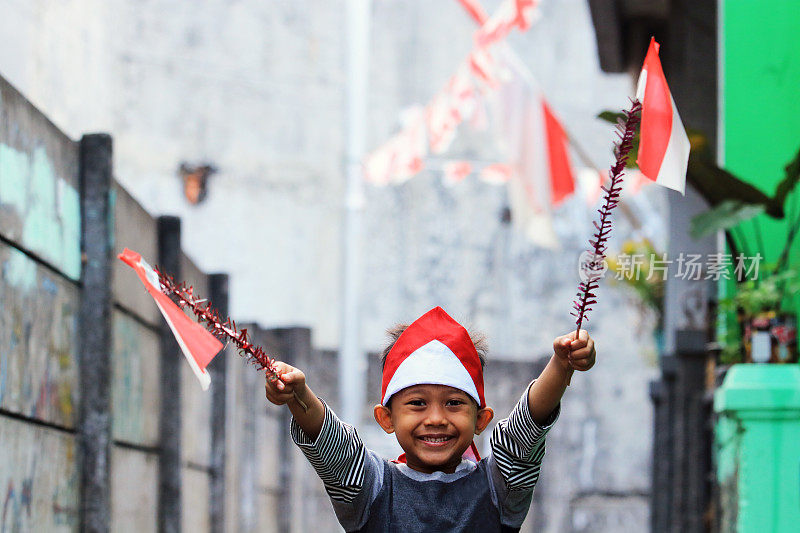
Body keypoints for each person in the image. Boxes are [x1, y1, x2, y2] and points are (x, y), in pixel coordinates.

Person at [265, 306, 596, 532]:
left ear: (481, 419)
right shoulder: (371, 489)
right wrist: (298, 395)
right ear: (385, 417)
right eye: (418, 403)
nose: (436, 418)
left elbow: (526, 429)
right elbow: (334, 446)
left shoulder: (499, 487)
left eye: (453, 403)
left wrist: (561, 364)